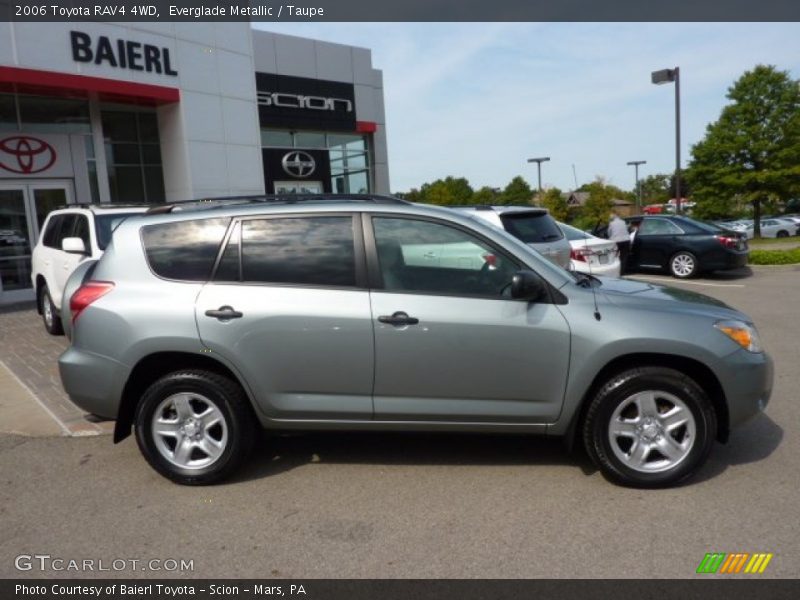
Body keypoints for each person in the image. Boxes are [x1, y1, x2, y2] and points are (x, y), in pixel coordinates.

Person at [607, 210, 630, 275]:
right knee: (624, 256)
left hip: (616, 241)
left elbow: (609, 233)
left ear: (613, 217)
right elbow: (627, 230)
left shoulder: (611, 224)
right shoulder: (623, 222)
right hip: (626, 240)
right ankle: (622, 272)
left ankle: (614, 270)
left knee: (613, 255)